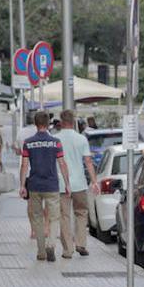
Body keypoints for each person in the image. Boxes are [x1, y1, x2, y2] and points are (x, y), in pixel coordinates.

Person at [20, 110, 71, 262]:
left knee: (37, 218)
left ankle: (41, 251)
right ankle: (51, 244)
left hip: (34, 185)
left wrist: (22, 185)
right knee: (54, 217)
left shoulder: (28, 142)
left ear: (36, 124)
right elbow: (62, 163)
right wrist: (67, 184)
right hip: (52, 185)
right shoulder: (56, 142)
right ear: (48, 124)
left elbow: (24, 165)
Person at [56, 109, 97, 258]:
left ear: (61, 122)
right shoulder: (81, 139)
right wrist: (94, 181)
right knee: (81, 213)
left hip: (61, 184)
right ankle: (81, 243)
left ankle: (67, 249)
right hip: (79, 183)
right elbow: (88, 161)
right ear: (73, 122)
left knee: (64, 216)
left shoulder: (55, 139)